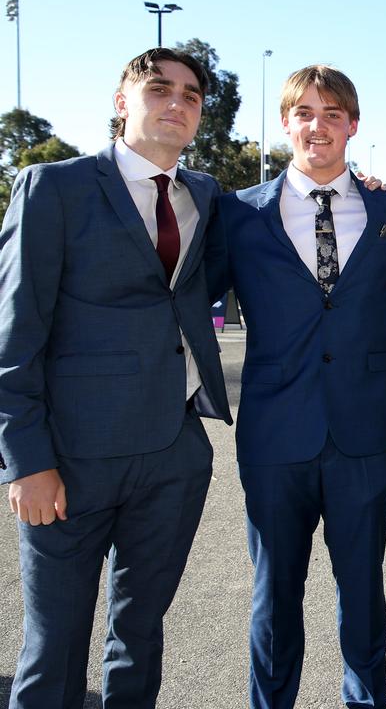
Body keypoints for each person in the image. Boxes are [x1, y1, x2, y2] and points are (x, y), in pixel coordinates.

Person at [0, 47, 231, 709]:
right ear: (122, 101)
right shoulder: (55, 187)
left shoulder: (206, 195)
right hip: (70, 460)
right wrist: (25, 461)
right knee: (55, 648)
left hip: (172, 455)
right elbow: (13, 336)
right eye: (160, 89)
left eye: (191, 96)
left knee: (140, 636)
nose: (177, 103)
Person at [205, 65, 386, 709]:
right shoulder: (238, 213)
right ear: (284, 123)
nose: (317, 126)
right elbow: (192, 299)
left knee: (363, 591)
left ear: (353, 126)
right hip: (274, 432)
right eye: (304, 112)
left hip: (363, 430)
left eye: (332, 114)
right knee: (274, 594)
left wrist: (374, 360)